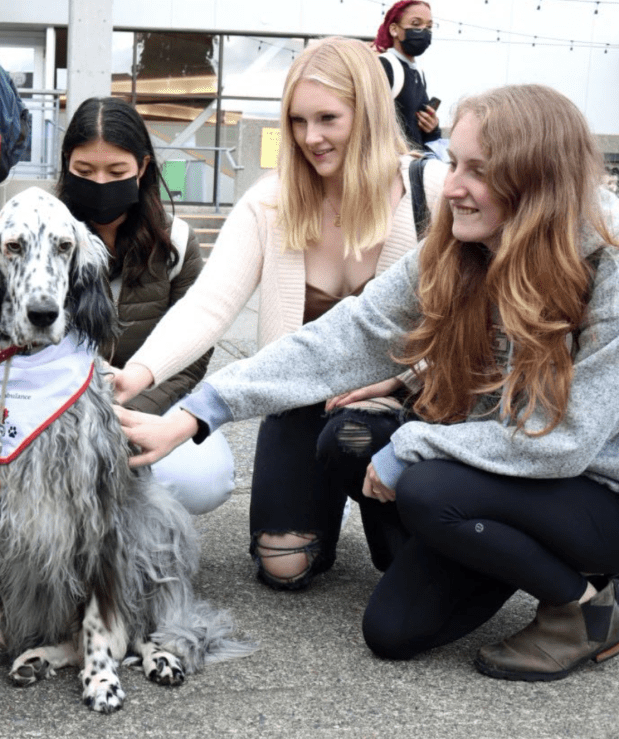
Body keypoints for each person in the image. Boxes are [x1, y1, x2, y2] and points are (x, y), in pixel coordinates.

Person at [119, 83, 619, 682]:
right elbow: (347, 335)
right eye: (453, 163)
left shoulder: (607, 262)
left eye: (477, 171)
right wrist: (196, 413)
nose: (453, 186)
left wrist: (411, 444)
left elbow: (567, 441)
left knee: (429, 488)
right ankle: (487, 549)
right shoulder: (461, 246)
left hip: (594, 489)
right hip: (506, 475)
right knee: (392, 631)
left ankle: (587, 610)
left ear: (538, 180)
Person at [112, 37, 447, 590]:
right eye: (297, 121)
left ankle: (380, 509)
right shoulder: (270, 200)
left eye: (328, 119)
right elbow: (209, 303)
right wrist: (139, 374)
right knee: (281, 566)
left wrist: (403, 378)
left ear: (366, 113)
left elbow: (477, 326)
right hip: (299, 399)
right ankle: (327, 499)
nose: (310, 138)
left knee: (361, 459)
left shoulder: (429, 192)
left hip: (408, 407)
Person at [56, 96, 234, 515]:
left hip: (153, 398)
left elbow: (193, 352)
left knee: (203, 481)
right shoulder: (41, 236)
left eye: (117, 171)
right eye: (85, 171)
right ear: (66, 164)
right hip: (60, 401)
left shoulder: (177, 242)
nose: (100, 183)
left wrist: (133, 412)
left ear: (144, 167)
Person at [373, 1, 441, 153]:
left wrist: (432, 128)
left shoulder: (419, 73)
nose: (423, 31)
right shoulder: (384, 66)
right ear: (394, 30)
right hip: (390, 169)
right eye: (415, 24)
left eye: (429, 27)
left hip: (413, 167)